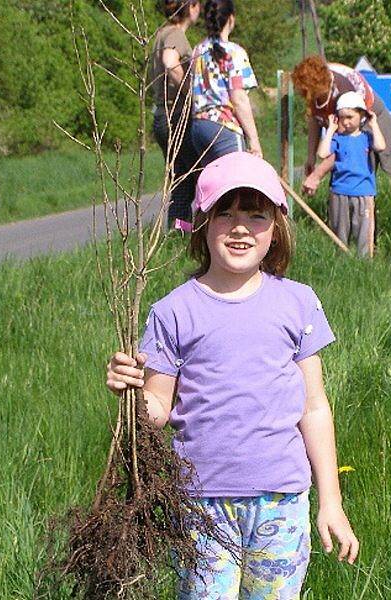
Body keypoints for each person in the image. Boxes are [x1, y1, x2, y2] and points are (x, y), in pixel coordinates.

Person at [105, 152, 359, 598]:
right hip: (201, 503)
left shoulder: (297, 302)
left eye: (256, 215)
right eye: (226, 213)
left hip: (281, 500)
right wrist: (130, 391)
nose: (240, 227)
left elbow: (314, 406)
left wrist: (330, 501)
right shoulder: (172, 312)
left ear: (276, 227)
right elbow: (158, 409)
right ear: (202, 223)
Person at [293, 55, 391, 196]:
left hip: (370, 116)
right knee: (344, 177)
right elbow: (315, 118)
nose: (306, 96)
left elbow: (343, 144)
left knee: (385, 170)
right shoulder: (314, 91)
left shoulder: (344, 94)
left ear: (320, 87)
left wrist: (316, 176)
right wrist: (311, 157)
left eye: (308, 92)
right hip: (343, 122)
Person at [190, 0, 262, 163]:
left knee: (214, 183)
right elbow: (239, 99)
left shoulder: (198, 51)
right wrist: (254, 140)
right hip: (224, 126)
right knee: (235, 182)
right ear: (231, 19)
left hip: (199, 126)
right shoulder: (234, 53)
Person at [316, 91, 386, 258]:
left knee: (364, 234)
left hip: (364, 192)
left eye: (350, 117)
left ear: (361, 115)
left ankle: (364, 264)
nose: (346, 122)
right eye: (342, 118)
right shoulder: (337, 139)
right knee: (339, 233)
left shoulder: (367, 137)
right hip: (340, 191)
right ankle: (341, 261)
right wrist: (331, 130)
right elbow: (322, 153)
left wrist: (373, 124)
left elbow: (381, 146)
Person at [150, 0, 201, 227]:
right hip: (175, 115)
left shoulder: (162, 33)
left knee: (183, 178)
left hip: (162, 115)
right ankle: (187, 230)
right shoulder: (175, 34)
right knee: (194, 175)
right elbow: (170, 62)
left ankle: (179, 231)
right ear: (190, 7)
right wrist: (191, 92)